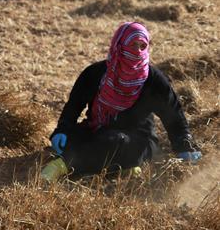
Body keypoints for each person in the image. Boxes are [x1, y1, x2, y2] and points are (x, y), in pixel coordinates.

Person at [41, 22, 201, 182]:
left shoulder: (153, 80)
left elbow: (174, 116)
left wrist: (184, 145)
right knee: (78, 140)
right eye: (132, 44)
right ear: (119, 45)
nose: (137, 51)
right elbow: (73, 106)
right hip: (97, 129)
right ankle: (122, 168)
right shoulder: (95, 73)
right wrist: (63, 129)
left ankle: (62, 165)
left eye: (142, 46)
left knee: (117, 142)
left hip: (138, 140)